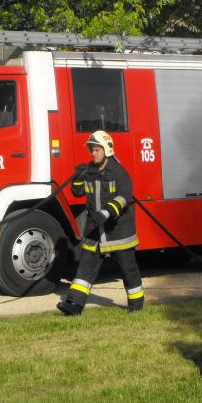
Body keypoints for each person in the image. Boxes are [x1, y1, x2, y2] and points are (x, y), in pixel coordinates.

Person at [57, 130, 144, 315]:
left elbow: (124, 196)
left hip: (118, 231)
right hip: (95, 230)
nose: (93, 154)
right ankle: (74, 305)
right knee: (85, 269)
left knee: (128, 269)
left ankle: (136, 305)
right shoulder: (89, 170)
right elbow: (77, 193)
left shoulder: (118, 172)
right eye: (92, 150)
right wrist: (78, 178)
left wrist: (107, 211)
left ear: (107, 150)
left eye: (97, 150)